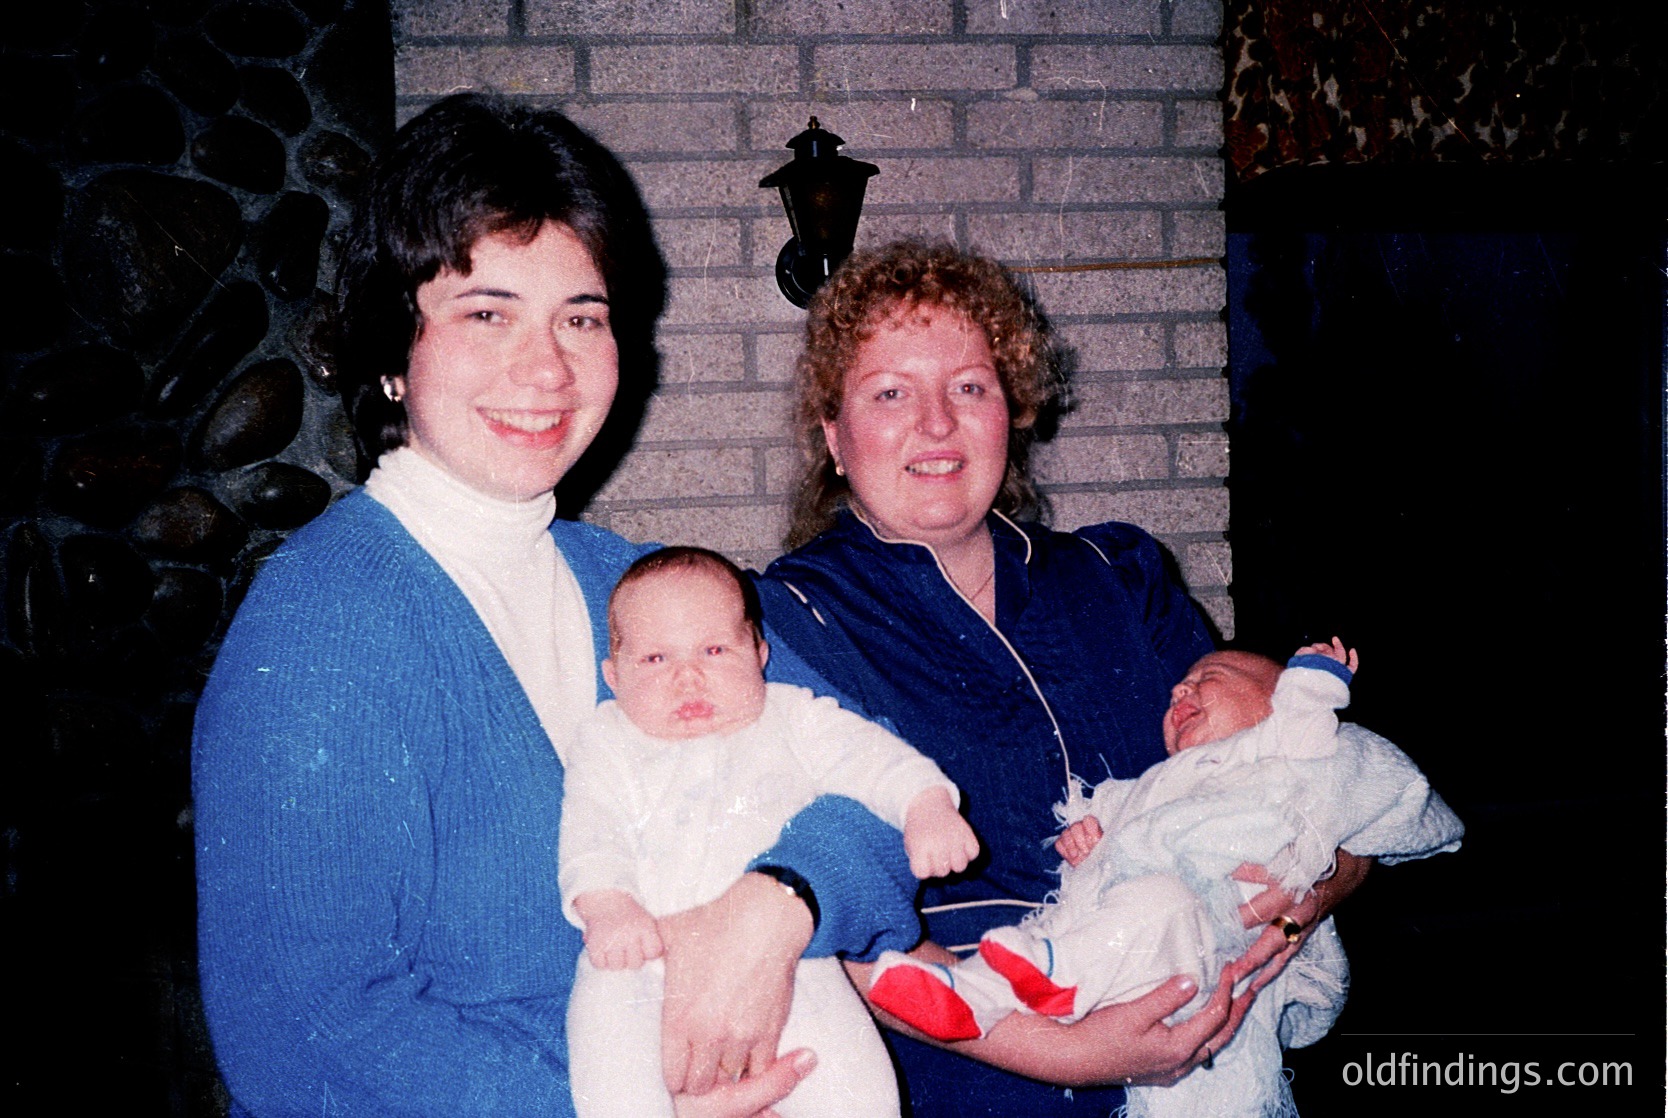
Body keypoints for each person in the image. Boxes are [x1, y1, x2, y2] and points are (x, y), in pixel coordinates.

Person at [191, 93, 922, 1118]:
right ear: (394, 356)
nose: (546, 369)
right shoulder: (319, 628)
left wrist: (779, 903)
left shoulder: (629, 583)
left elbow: (879, 783)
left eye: (582, 316)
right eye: (486, 313)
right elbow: (304, 1043)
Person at [755, 239, 1372, 1116]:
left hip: (1205, 1047)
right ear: (834, 437)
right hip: (968, 1083)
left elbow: (1316, 783)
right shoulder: (785, 627)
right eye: (890, 394)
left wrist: (1299, 903)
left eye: (970, 387)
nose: (937, 424)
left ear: (1013, 408)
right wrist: (1071, 1053)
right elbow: (825, 917)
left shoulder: (1117, 578)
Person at [866, 639, 1464, 1117]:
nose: (1182, 688)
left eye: (1213, 676)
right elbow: (1114, 827)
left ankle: (1036, 977)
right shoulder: (1157, 781)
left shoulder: (1271, 751)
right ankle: (981, 992)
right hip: (1150, 939)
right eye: (1180, 684)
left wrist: (1311, 678)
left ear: (1271, 706)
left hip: (1218, 934)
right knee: (1143, 907)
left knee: (1154, 907)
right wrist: (1088, 841)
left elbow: (1314, 733)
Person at [561, 546, 980, 1117]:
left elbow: (874, 758)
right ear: (613, 677)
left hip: (792, 964)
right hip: (641, 956)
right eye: (656, 660)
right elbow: (591, 830)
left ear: (760, 654)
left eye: (714, 650)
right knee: (610, 1069)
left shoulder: (793, 717)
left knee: (863, 1093)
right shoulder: (607, 740)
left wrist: (926, 805)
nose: (689, 678)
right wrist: (607, 905)